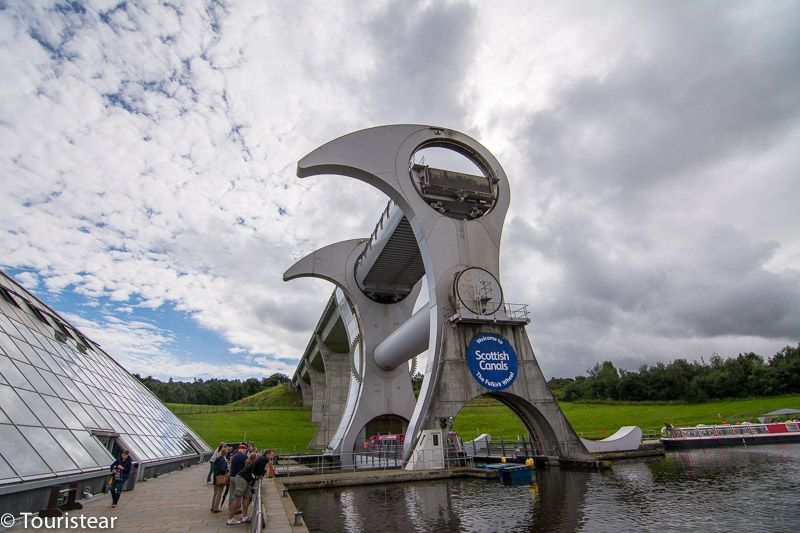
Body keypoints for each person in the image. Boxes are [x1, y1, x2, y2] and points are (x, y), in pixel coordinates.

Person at [227, 452, 268, 525]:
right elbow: (256, 472)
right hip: (242, 479)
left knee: (248, 496)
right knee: (237, 498)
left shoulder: (252, 462)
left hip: (245, 480)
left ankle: (245, 516)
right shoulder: (253, 463)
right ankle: (230, 519)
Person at [211, 446, 229, 513]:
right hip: (220, 478)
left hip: (215, 477)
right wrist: (226, 471)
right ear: (225, 453)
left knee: (215, 493)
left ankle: (212, 507)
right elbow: (222, 469)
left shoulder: (217, 458)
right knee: (219, 493)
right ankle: (216, 508)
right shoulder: (223, 460)